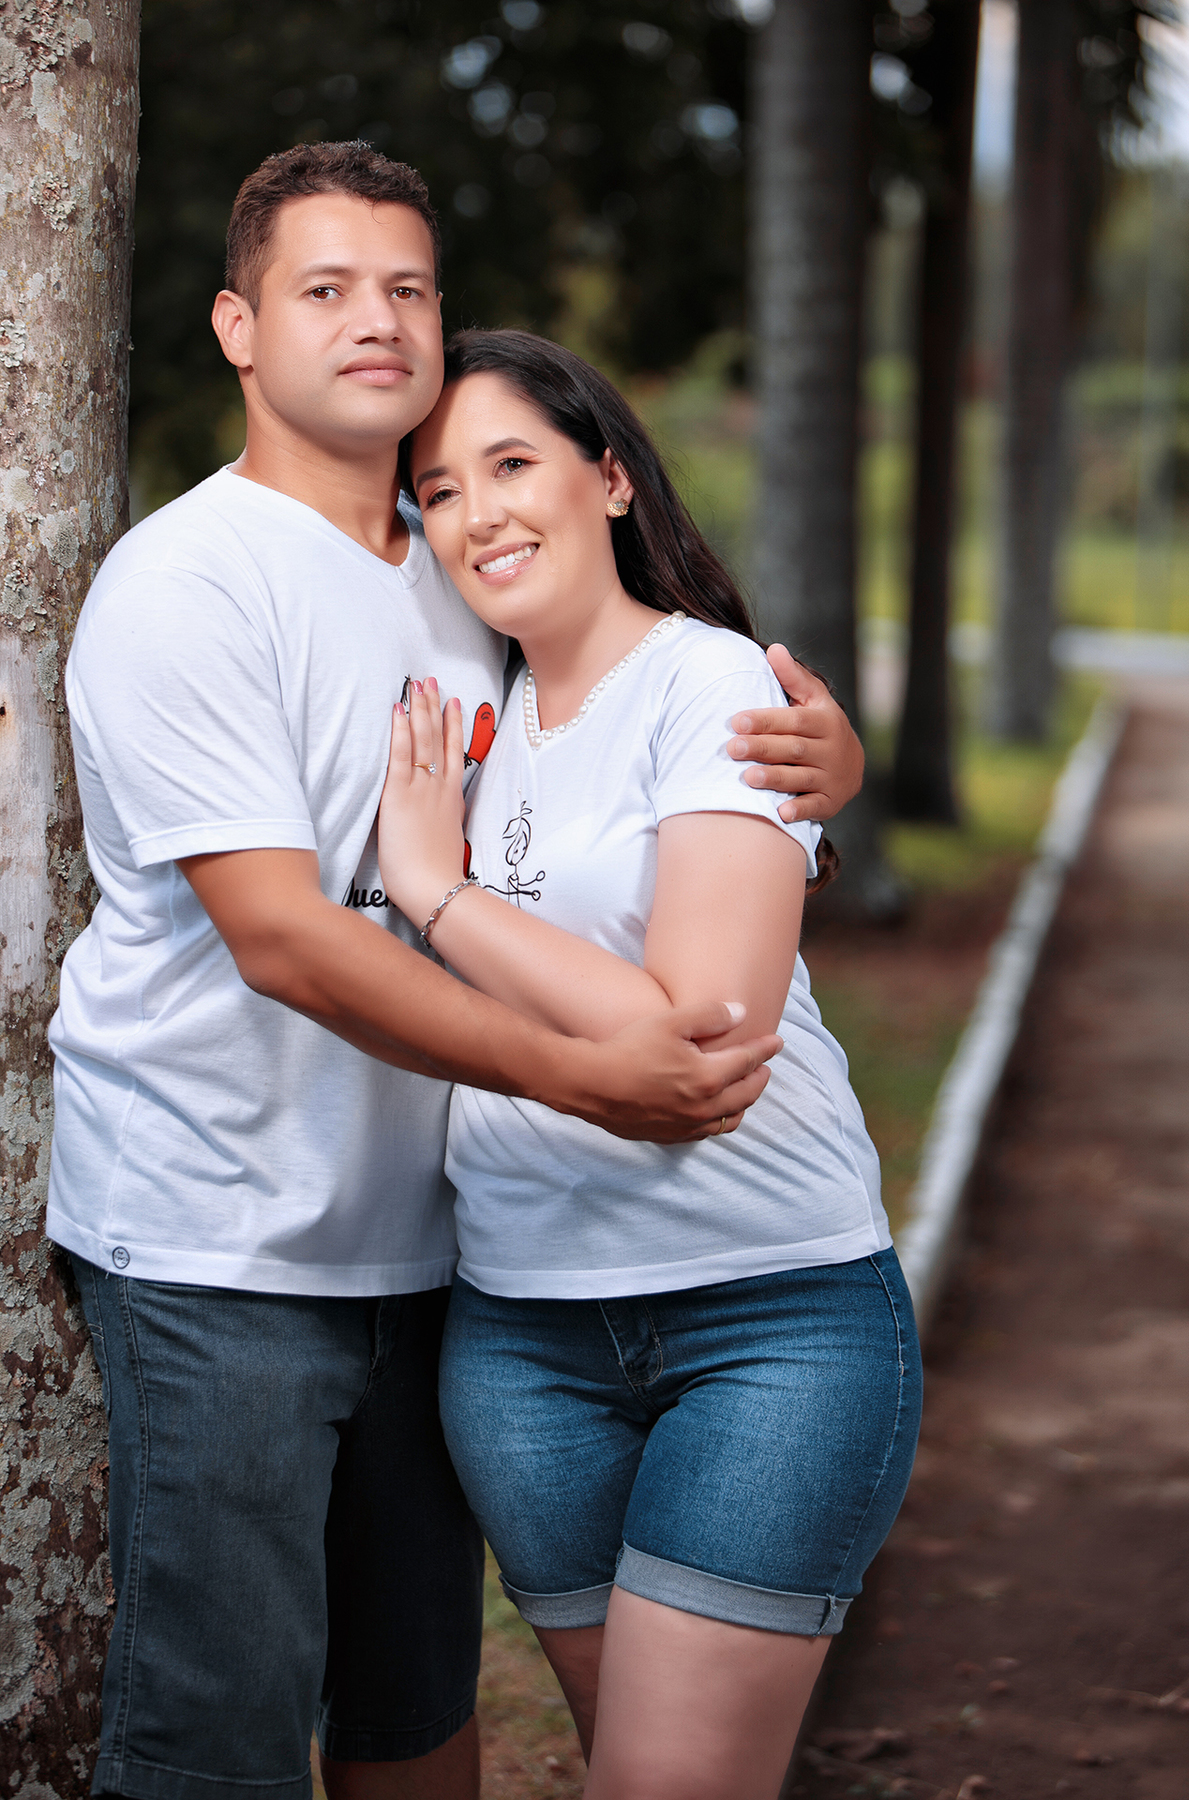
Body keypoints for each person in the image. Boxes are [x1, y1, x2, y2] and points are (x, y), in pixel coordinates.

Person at [47, 143, 865, 1800]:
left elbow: (620, 766)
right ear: (238, 328)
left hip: (439, 1258)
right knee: (219, 1731)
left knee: (414, 1712)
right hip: (221, 1242)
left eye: (407, 287)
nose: (377, 320)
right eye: (325, 289)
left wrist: (818, 782)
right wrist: (584, 1075)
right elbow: (284, 934)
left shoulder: (462, 575)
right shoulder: (189, 580)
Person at [376, 328, 922, 1800]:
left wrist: (441, 896)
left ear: (611, 477)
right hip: (522, 1340)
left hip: (768, 1318)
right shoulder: (458, 714)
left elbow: (701, 1037)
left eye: (512, 463)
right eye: (441, 489)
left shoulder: (711, 683)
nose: (479, 513)